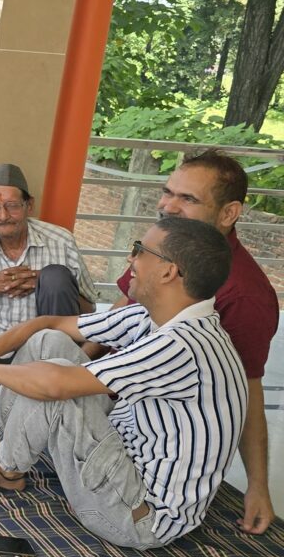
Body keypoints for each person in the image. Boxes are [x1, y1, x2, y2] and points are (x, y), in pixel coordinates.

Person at [0, 217, 246, 550]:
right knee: (48, 344)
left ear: (168, 271)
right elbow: (47, 324)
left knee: (57, 378)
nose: (130, 259)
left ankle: (2, 469)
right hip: (123, 460)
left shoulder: (182, 346)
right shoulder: (155, 317)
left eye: (139, 250)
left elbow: (55, 384)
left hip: (139, 516)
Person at [97, 151, 276, 535]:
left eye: (188, 199)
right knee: (49, 351)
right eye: (167, 192)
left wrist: (257, 485)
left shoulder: (244, 295)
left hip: (149, 442)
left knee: (44, 379)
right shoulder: (165, 244)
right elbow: (121, 310)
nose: (167, 206)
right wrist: (79, 364)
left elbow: (248, 388)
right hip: (110, 394)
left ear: (229, 214)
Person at [0, 163, 99, 403]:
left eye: (12, 206)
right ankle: (32, 392)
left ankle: (40, 383)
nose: (3, 216)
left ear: (29, 205)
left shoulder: (61, 240)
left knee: (55, 275)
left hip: (46, 358)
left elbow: (89, 310)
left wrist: (45, 282)